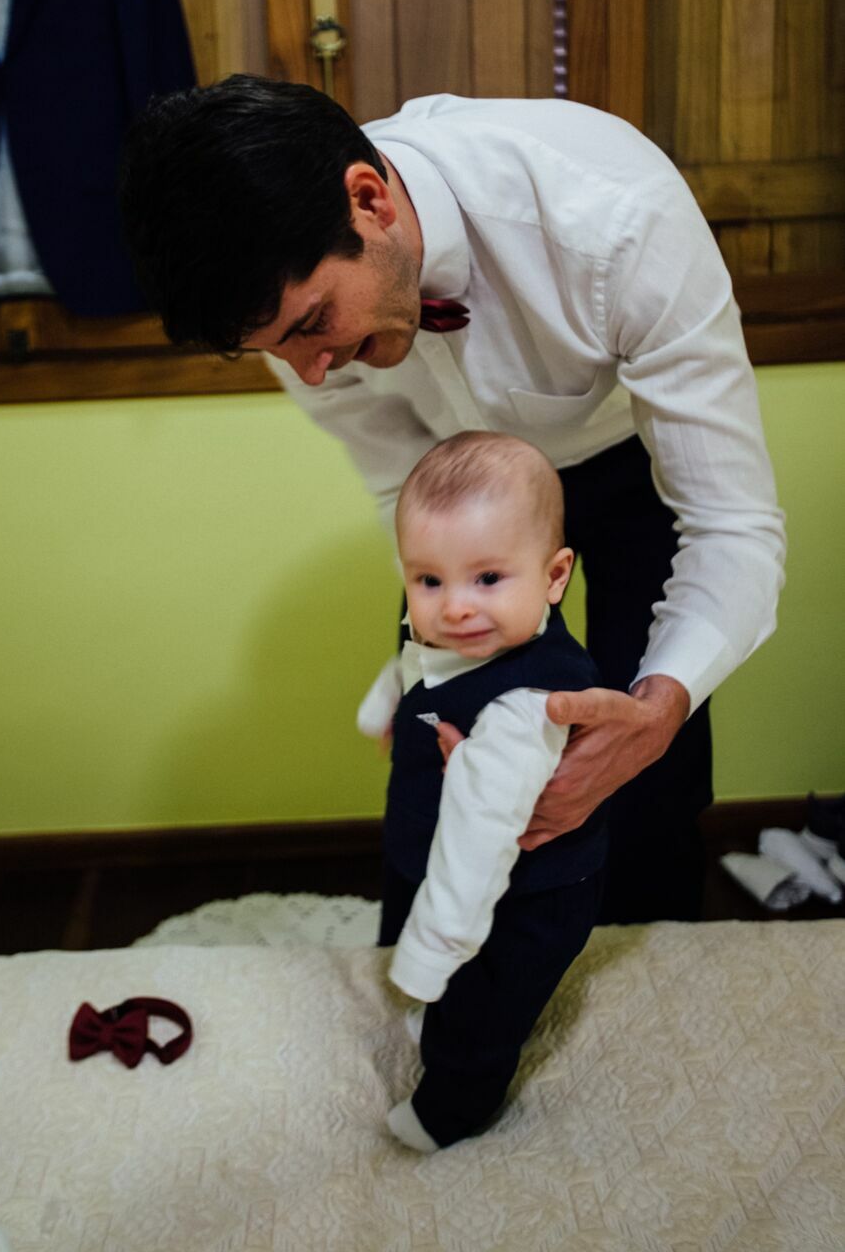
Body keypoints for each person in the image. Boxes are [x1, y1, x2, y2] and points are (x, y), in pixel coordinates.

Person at [119, 77, 786, 922]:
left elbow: (732, 525)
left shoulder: (614, 215)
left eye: (312, 325)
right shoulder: (295, 312)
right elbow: (404, 486)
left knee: (644, 769)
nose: (312, 373)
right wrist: (425, 647)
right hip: (456, 489)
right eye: (274, 349)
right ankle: (427, 974)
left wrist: (657, 713)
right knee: (433, 756)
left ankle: (645, 987)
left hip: (634, 463)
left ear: (370, 201)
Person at [377, 429, 604, 1152]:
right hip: (440, 846)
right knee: (449, 965)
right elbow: (413, 659)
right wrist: (381, 704)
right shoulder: (452, 634)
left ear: (555, 575)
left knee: (486, 1007)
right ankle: (444, 999)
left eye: (487, 579)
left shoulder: (523, 705)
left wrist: (429, 953)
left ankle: (448, 1112)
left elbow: (476, 848)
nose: (454, 609)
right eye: (428, 580)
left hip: (523, 891)